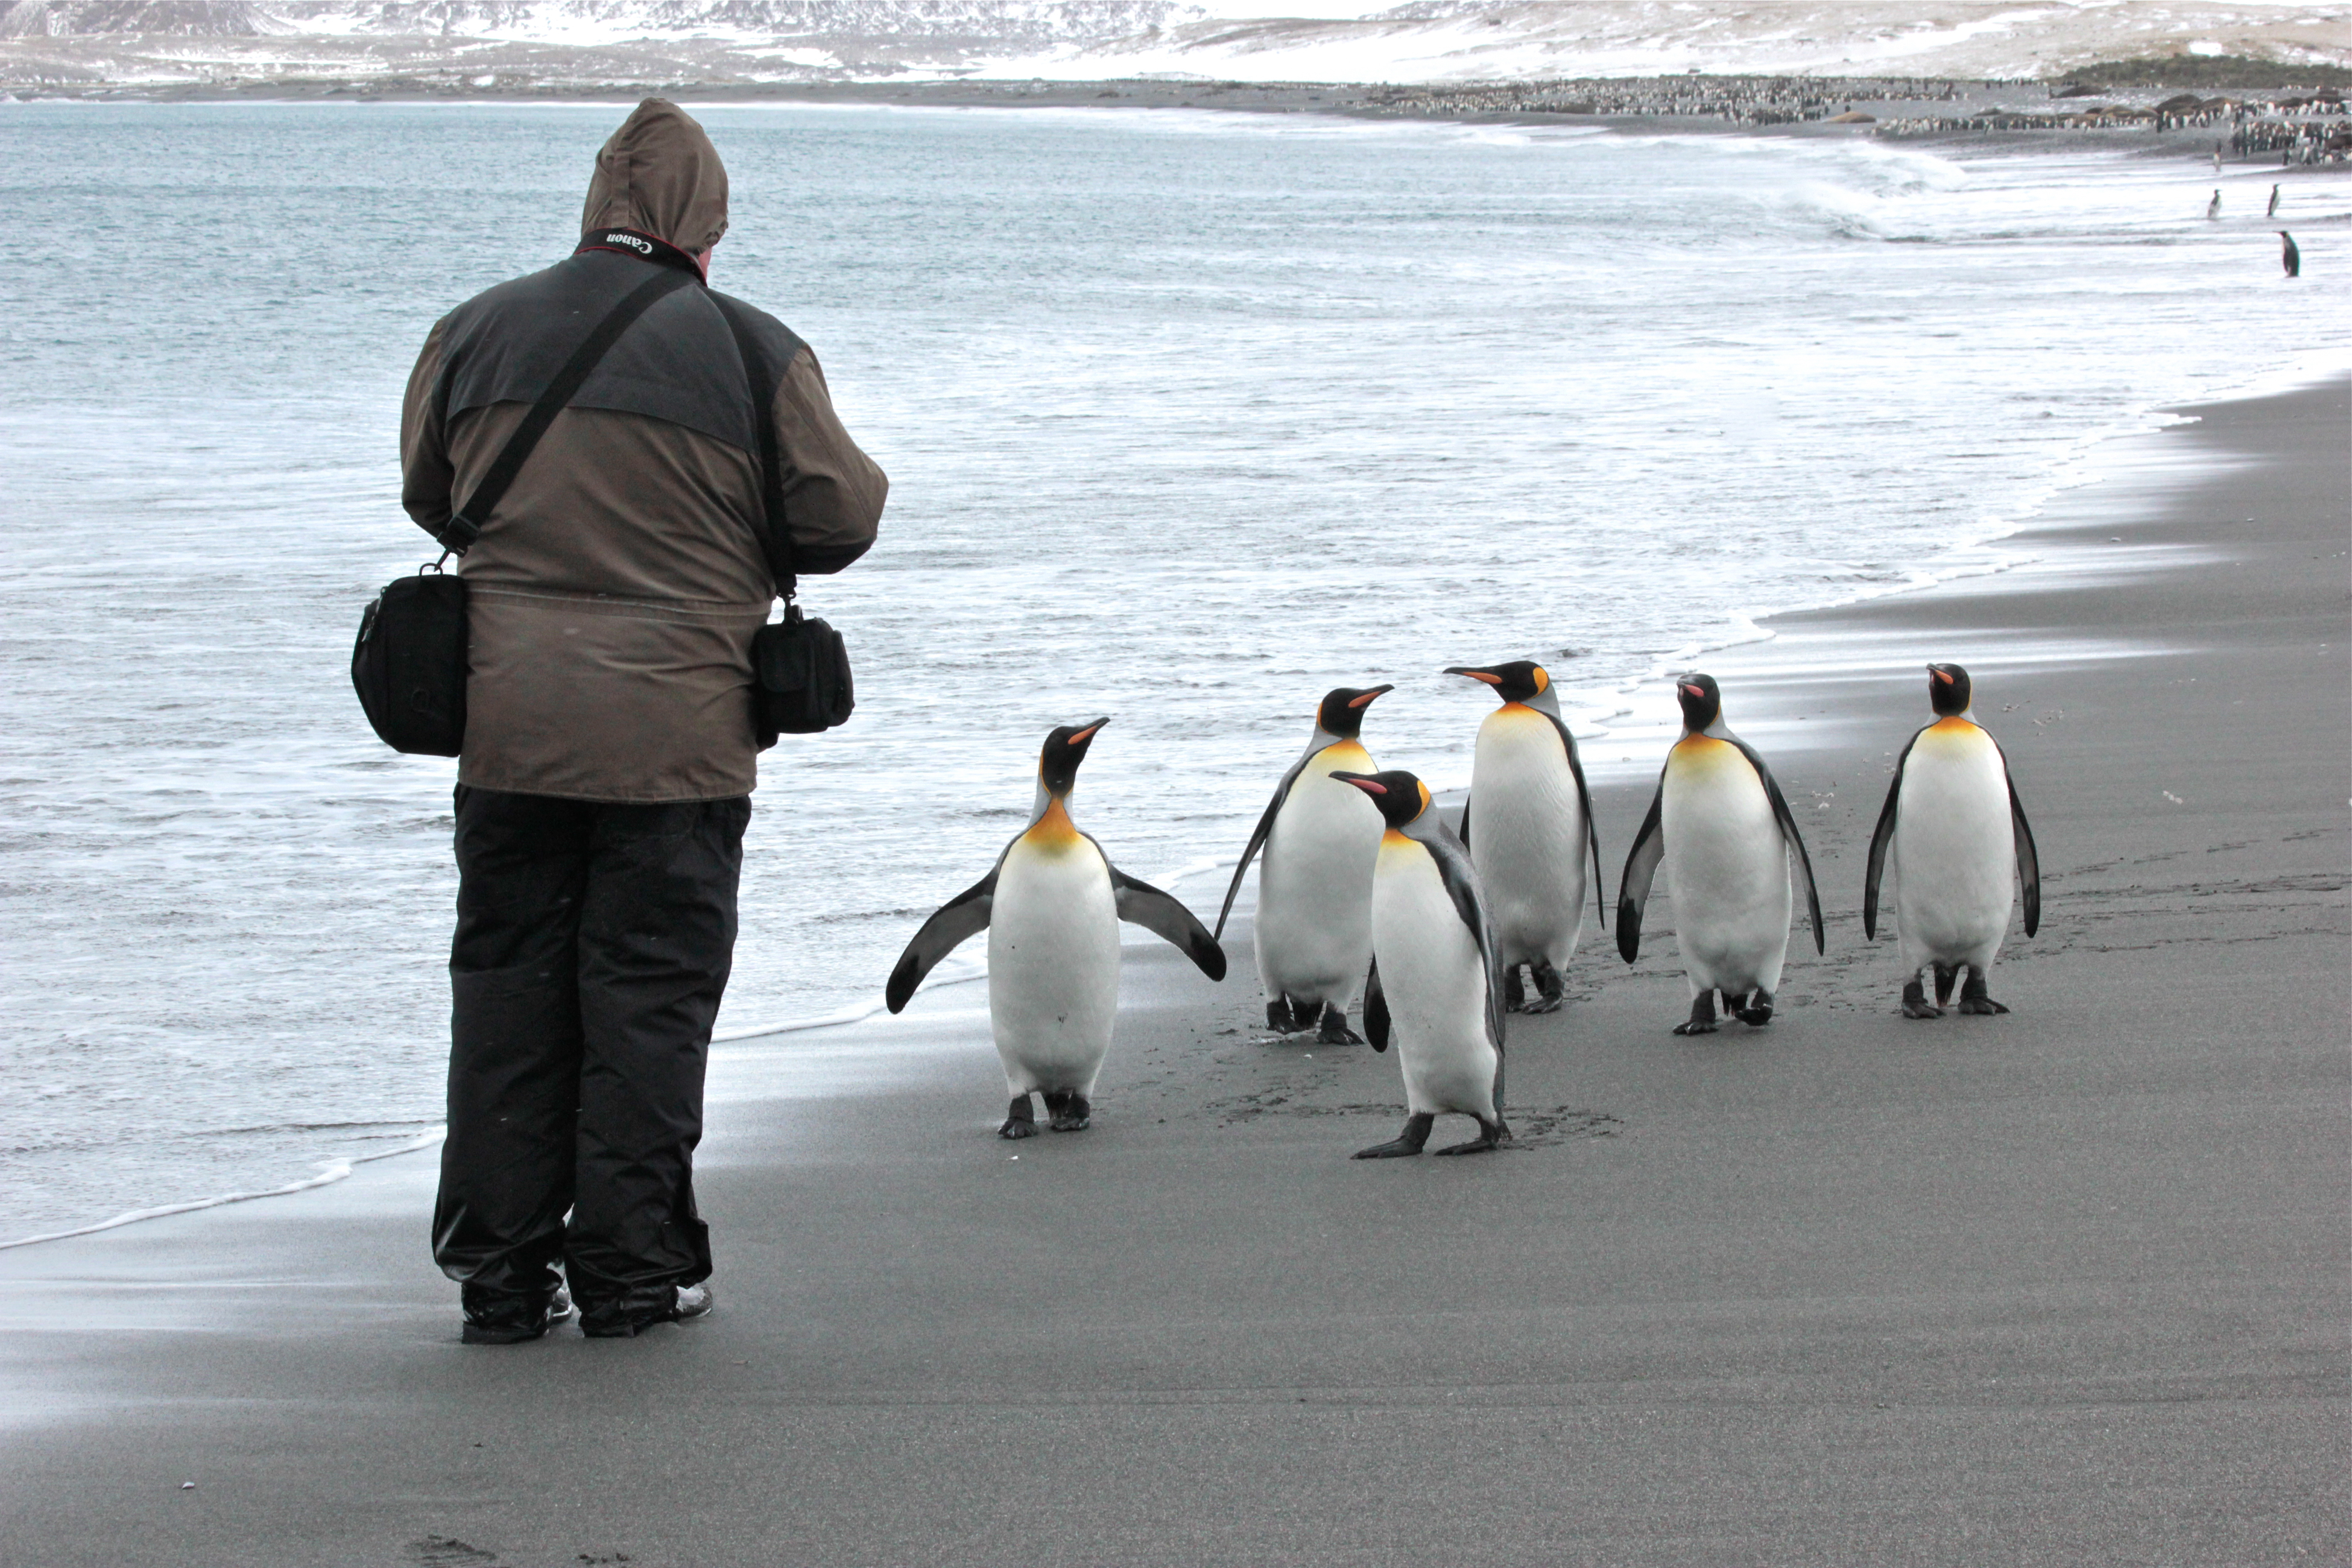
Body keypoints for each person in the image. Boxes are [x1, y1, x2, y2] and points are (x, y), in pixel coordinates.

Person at [399, 100, 888, 1342]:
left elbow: (429, 493)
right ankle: (631, 1270)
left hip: (509, 731)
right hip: (678, 743)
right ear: (704, 230)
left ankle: (501, 1279)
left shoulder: (474, 329)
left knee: (507, 990)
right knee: (648, 1001)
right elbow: (840, 519)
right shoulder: (751, 352)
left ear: (597, 209)